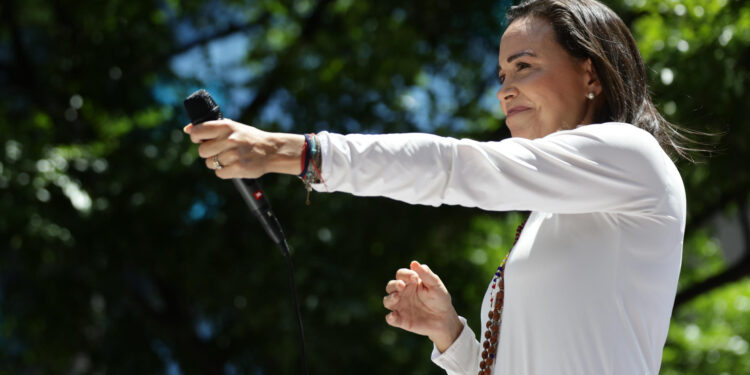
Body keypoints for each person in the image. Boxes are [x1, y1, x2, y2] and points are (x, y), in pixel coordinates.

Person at [183, 0, 689, 373]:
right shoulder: (550, 217)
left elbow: (457, 168)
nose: (505, 88)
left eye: (525, 66)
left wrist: (302, 153)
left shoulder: (630, 155)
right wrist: (450, 335)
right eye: (501, 73)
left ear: (590, 75)